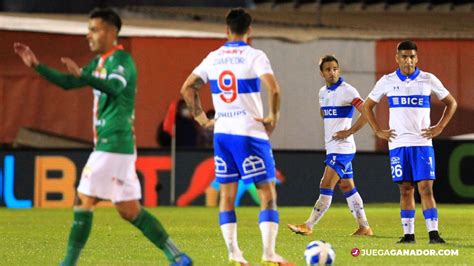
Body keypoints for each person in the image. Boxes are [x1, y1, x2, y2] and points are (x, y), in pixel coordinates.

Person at [14, 8, 192, 265]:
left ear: (111, 32)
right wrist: (37, 65)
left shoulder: (122, 61)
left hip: (113, 143)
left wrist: (84, 75)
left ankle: (68, 263)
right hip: (116, 147)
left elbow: (116, 88)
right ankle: (177, 256)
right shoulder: (97, 64)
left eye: (94, 30)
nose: (89, 35)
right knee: (130, 210)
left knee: (83, 199)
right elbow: (68, 82)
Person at [181, 8, 291, 266]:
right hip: (249, 132)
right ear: (249, 30)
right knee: (267, 193)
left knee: (227, 196)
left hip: (222, 134)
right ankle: (269, 255)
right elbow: (274, 89)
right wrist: (273, 117)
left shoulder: (213, 57)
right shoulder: (255, 55)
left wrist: (201, 120)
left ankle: (234, 255)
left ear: (226, 30)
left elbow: (187, 87)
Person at [362, 40, 457, 244]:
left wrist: (440, 127)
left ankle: (434, 234)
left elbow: (451, 103)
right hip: (397, 144)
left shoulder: (427, 79)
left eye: (412, 56)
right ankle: (408, 235)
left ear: (417, 58)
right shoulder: (386, 81)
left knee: (426, 188)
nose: (408, 60)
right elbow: (367, 106)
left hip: (422, 144)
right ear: (397, 58)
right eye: (404, 56)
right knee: (405, 189)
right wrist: (377, 130)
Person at [287, 55, 373, 237]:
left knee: (325, 184)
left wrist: (348, 132)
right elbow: (324, 113)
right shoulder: (322, 93)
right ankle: (364, 227)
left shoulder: (348, 91)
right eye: (328, 69)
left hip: (342, 149)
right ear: (322, 73)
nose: (332, 72)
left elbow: (367, 112)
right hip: (333, 148)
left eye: (335, 68)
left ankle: (308, 225)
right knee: (347, 187)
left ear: (339, 70)